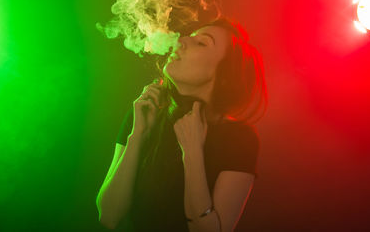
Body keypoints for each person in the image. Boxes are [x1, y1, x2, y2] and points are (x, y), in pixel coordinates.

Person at [96, 16, 268, 231]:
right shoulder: (144, 115)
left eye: (201, 42)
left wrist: (193, 153)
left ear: (224, 75)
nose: (181, 40)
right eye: (191, 36)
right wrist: (138, 135)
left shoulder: (239, 139)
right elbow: (109, 216)